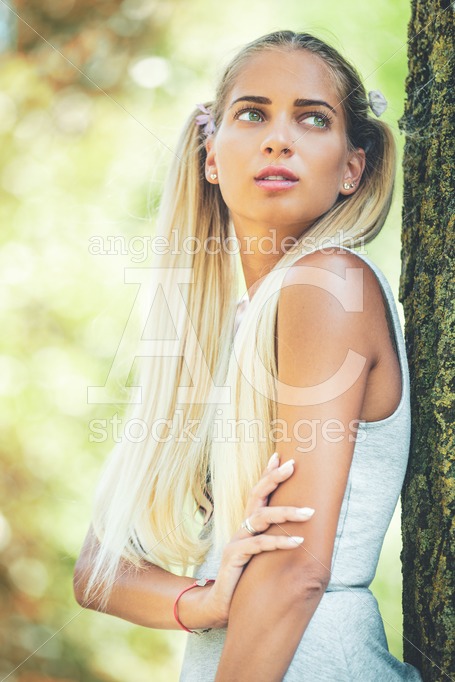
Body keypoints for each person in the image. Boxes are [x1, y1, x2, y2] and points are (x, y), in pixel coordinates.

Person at [74, 30, 423, 681]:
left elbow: (294, 571)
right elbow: (98, 571)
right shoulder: (217, 330)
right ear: (211, 153)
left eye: (312, 118)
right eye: (253, 112)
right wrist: (203, 600)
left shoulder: (329, 285)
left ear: (354, 165)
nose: (277, 138)